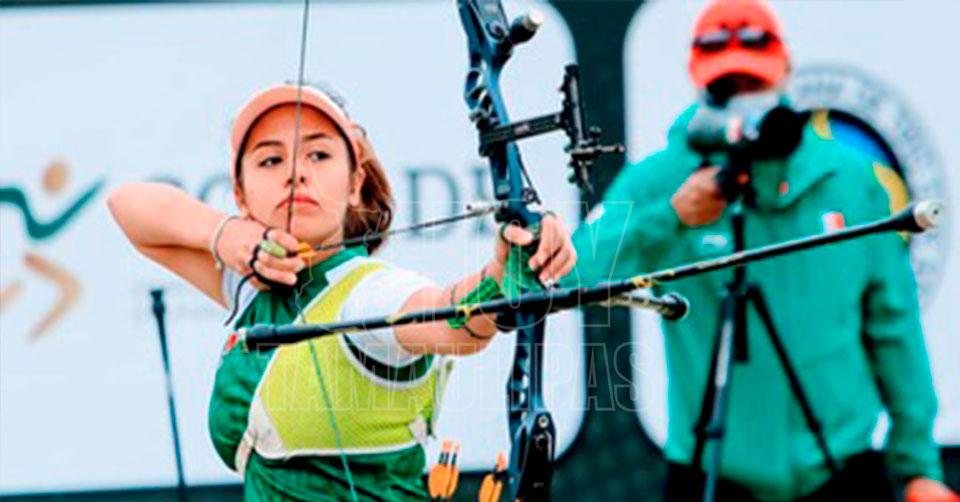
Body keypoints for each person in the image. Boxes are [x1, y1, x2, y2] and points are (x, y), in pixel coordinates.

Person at [108, 83, 576, 501]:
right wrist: (224, 233)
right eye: (270, 160)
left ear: (355, 184)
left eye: (318, 155)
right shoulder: (250, 287)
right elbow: (127, 206)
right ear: (241, 194)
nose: (295, 173)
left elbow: (452, 320)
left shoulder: (372, 292)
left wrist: (501, 276)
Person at [571, 0, 957, 501]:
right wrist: (671, 216)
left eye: (754, 81)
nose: (743, 100)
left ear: (785, 71)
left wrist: (918, 467)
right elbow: (573, 273)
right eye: (726, 86)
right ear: (697, 81)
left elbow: (894, 327)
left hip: (839, 468)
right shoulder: (664, 179)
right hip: (712, 471)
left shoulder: (851, 180)